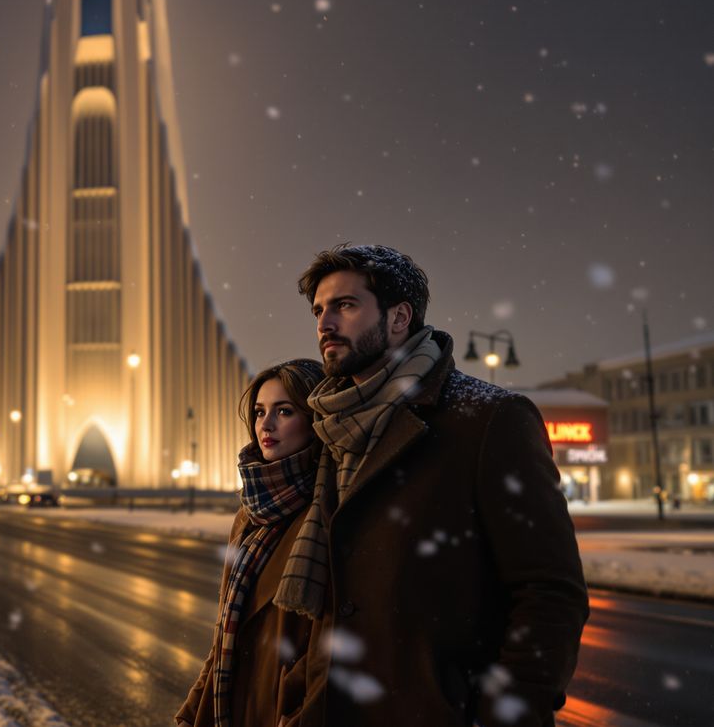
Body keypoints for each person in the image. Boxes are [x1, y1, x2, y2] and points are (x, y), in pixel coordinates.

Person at [279, 244, 588, 727]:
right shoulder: (332, 426)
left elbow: (550, 591)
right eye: (320, 309)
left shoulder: (489, 419)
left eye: (345, 305)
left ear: (400, 317)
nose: (324, 324)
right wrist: (301, 691)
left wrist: (505, 713)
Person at [176, 358, 326, 727]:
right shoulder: (249, 515)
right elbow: (225, 632)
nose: (266, 425)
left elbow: (329, 649)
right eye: (259, 412)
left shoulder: (327, 513)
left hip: (282, 712)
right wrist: (191, 713)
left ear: (314, 419)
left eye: (285, 411)